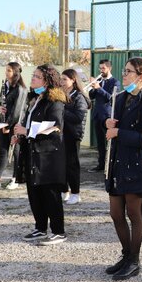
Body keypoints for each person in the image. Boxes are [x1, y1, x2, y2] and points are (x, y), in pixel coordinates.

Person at [104, 58, 142, 280]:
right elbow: (113, 125)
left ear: (141, 76)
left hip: (136, 164)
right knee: (116, 213)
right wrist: (108, 124)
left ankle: (134, 260)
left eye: (128, 71)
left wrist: (119, 133)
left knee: (133, 213)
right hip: (118, 162)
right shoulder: (121, 97)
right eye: (124, 70)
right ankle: (126, 254)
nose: (124, 74)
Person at [13, 64, 69, 245]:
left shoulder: (55, 101)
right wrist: (20, 135)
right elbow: (30, 125)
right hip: (33, 152)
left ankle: (59, 231)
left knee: (50, 193)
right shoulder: (35, 99)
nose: (33, 78)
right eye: (33, 75)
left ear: (47, 81)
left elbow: (54, 126)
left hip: (48, 155)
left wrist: (27, 130)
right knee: (34, 192)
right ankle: (40, 227)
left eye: (37, 76)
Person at [0, 62, 27, 190]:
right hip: (4, 122)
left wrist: (8, 126)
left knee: (16, 152)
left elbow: (18, 111)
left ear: (15, 73)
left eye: (9, 70)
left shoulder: (20, 89)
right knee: (3, 151)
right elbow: (0, 102)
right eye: (6, 70)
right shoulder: (5, 85)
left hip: (15, 124)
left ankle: (16, 178)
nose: (6, 72)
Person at [61, 68, 91, 205]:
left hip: (73, 134)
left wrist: (62, 110)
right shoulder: (62, 94)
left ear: (73, 80)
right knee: (61, 164)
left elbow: (78, 117)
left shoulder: (79, 97)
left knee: (72, 165)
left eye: (64, 79)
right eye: (61, 79)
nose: (61, 82)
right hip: (61, 133)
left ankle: (75, 193)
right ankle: (64, 190)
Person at [88, 59, 120, 173]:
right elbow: (92, 96)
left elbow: (111, 98)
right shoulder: (99, 81)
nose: (101, 70)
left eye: (103, 68)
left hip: (107, 115)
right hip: (97, 115)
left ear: (109, 68)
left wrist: (99, 88)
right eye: (100, 68)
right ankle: (101, 164)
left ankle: (112, 165)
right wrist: (92, 87)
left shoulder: (115, 82)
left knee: (110, 142)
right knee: (100, 142)